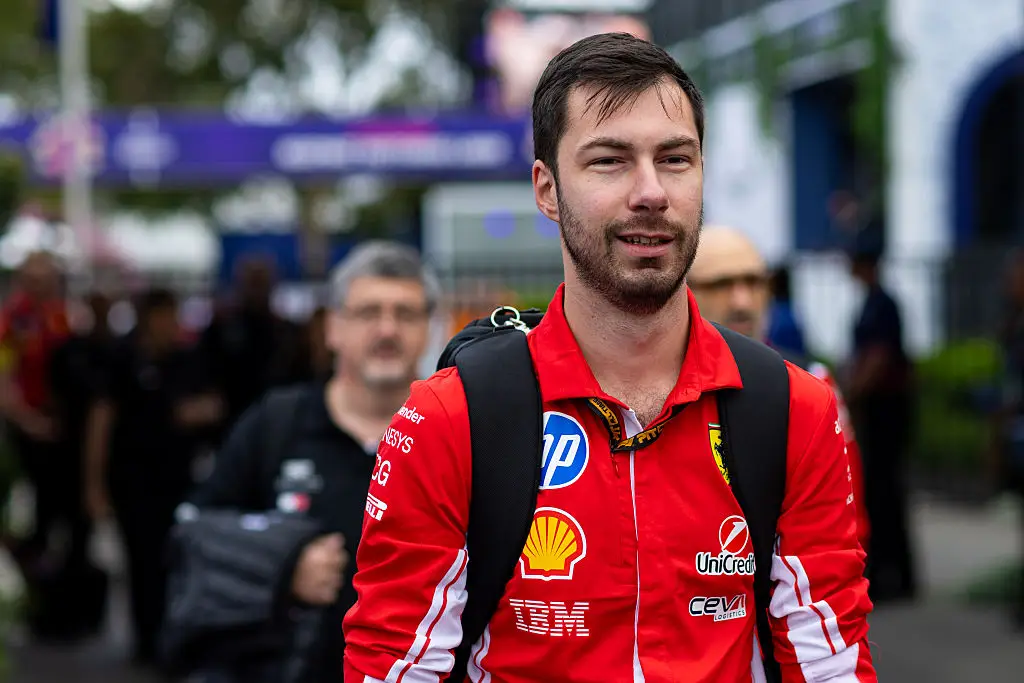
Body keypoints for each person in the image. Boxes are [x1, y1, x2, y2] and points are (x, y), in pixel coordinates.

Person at [344, 33, 874, 682]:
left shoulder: (796, 409)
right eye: (610, 161)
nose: (650, 191)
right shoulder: (448, 417)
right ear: (546, 189)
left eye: (675, 159)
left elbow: (831, 664)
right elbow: (392, 667)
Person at [185, 241, 437, 683]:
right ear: (332, 328)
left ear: (427, 328)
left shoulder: (456, 435)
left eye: (406, 313)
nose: (387, 329)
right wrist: (282, 569)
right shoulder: (274, 424)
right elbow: (197, 533)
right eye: (367, 312)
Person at [689, 225, 870, 551]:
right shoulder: (656, 390)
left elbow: (845, 519)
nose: (742, 300)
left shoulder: (811, 382)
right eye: (721, 285)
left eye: (754, 282)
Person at [83, 287, 223, 667]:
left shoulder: (187, 359)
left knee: (176, 560)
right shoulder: (122, 359)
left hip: (176, 479)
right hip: (132, 479)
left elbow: (214, 404)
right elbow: (101, 420)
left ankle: (175, 637)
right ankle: (146, 641)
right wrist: (94, 483)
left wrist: (196, 413)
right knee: (140, 563)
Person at [846, 243, 917, 604]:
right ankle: (888, 570)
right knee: (876, 489)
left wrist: (853, 392)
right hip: (875, 406)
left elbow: (878, 358)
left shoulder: (883, 304)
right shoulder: (870, 302)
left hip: (886, 407)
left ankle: (897, 575)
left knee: (886, 489)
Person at [0, 251, 70, 569]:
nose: (44, 287)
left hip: (57, 426)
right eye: (36, 280)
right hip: (26, 428)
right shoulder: (12, 319)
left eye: (49, 280)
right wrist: (28, 421)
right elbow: (4, 377)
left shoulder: (59, 315)